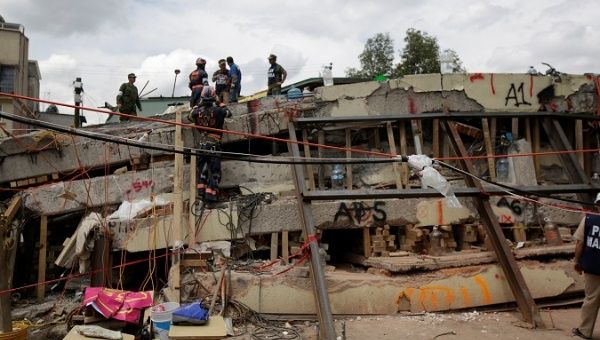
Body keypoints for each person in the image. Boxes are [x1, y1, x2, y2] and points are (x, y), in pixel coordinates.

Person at [190, 85, 230, 203]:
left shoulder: (197, 112)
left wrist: (197, 106)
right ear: (214, 96)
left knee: (202, 171)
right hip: (214, 145)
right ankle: (211, 199)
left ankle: (201, 195)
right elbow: (228, 113)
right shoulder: (219, 111)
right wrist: (221, 103)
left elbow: (189, 116)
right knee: (214, 172)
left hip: (202, 145)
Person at [573, 193, 600, 339]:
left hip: (592, 267)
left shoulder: (588, 219)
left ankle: (584, 331)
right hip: (593, 267)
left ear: (597, 204)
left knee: (591, 299)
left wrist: (576, 261)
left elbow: (580, 243)